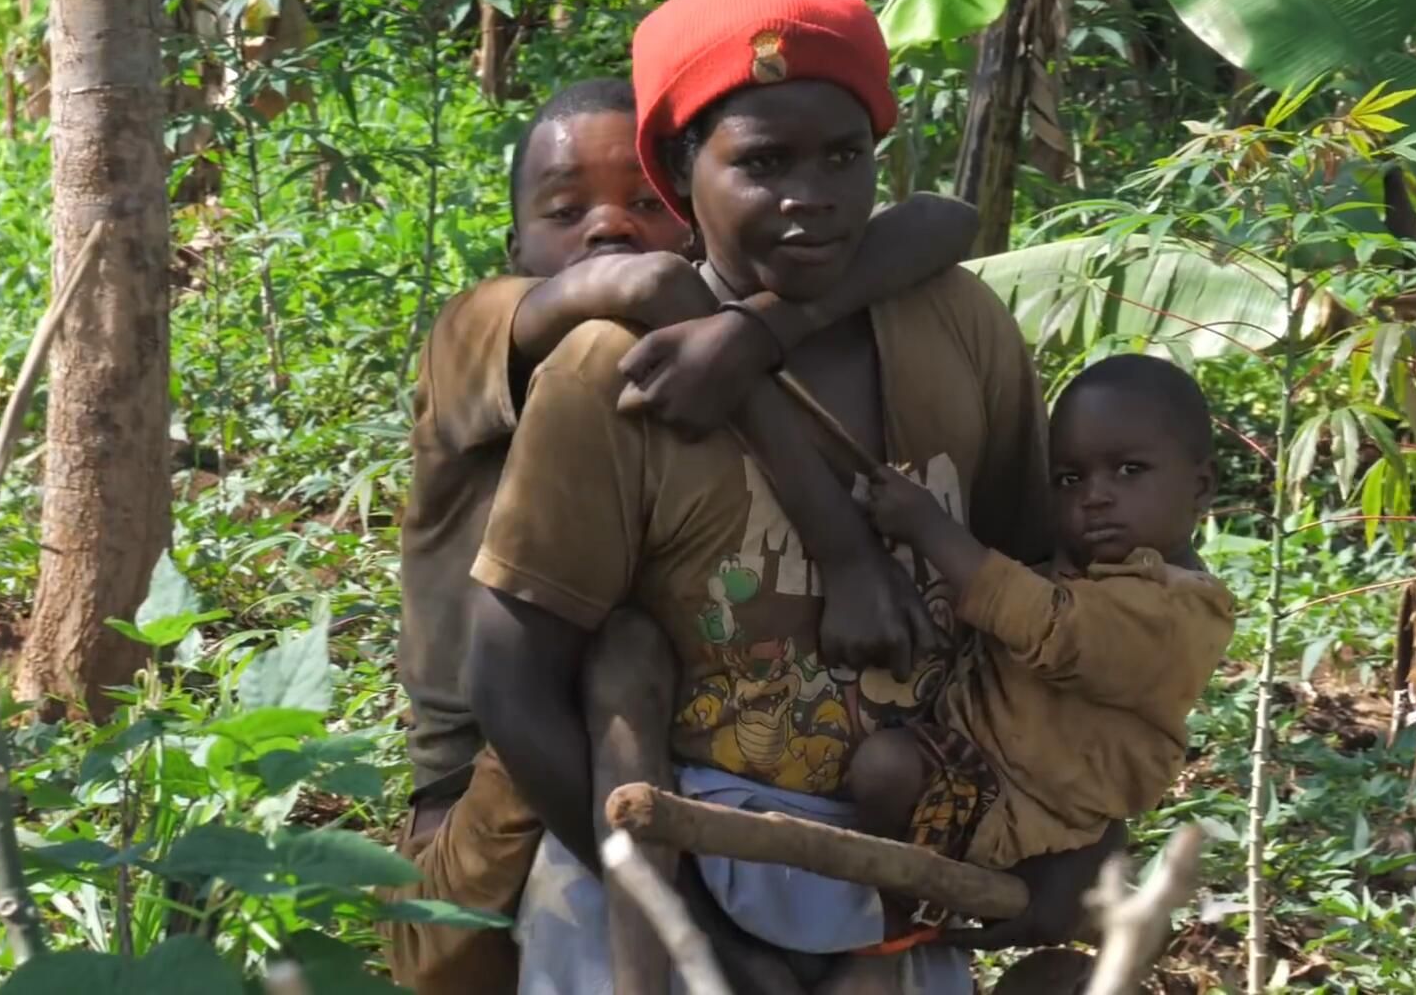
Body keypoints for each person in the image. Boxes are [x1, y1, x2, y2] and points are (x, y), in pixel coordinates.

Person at [465, 0, 1123, 995]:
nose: (810, 200)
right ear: (682, 176)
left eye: (843, 158)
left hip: (901, 862)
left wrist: (1058, 826)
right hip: (655, 864)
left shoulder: (959, 329)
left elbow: (1032, 590)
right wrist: (699, 935)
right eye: (764, 164)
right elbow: (509, 682)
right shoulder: (610, 378)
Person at [388, 74, 978, 990]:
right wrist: (711, 937)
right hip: (499, 799)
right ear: (514, 245)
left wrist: (757, 329)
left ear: (692, 209)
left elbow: (943, 222)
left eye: (639, 202)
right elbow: (646, 282)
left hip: (688, 780)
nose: (607, 226)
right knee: (620, 654)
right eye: (565, 209)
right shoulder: (481, 331)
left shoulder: (695, 361)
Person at [850, 354, 1235, 886]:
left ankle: (900, 904)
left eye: (1129, 470)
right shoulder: (1096, 569)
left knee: (883, 770)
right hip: (980, 772)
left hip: (1020, 813)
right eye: (1070, 479)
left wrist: (928, 526)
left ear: (1201, 487)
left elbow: (1053, 627)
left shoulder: (1180, 611)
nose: (1094, 496)